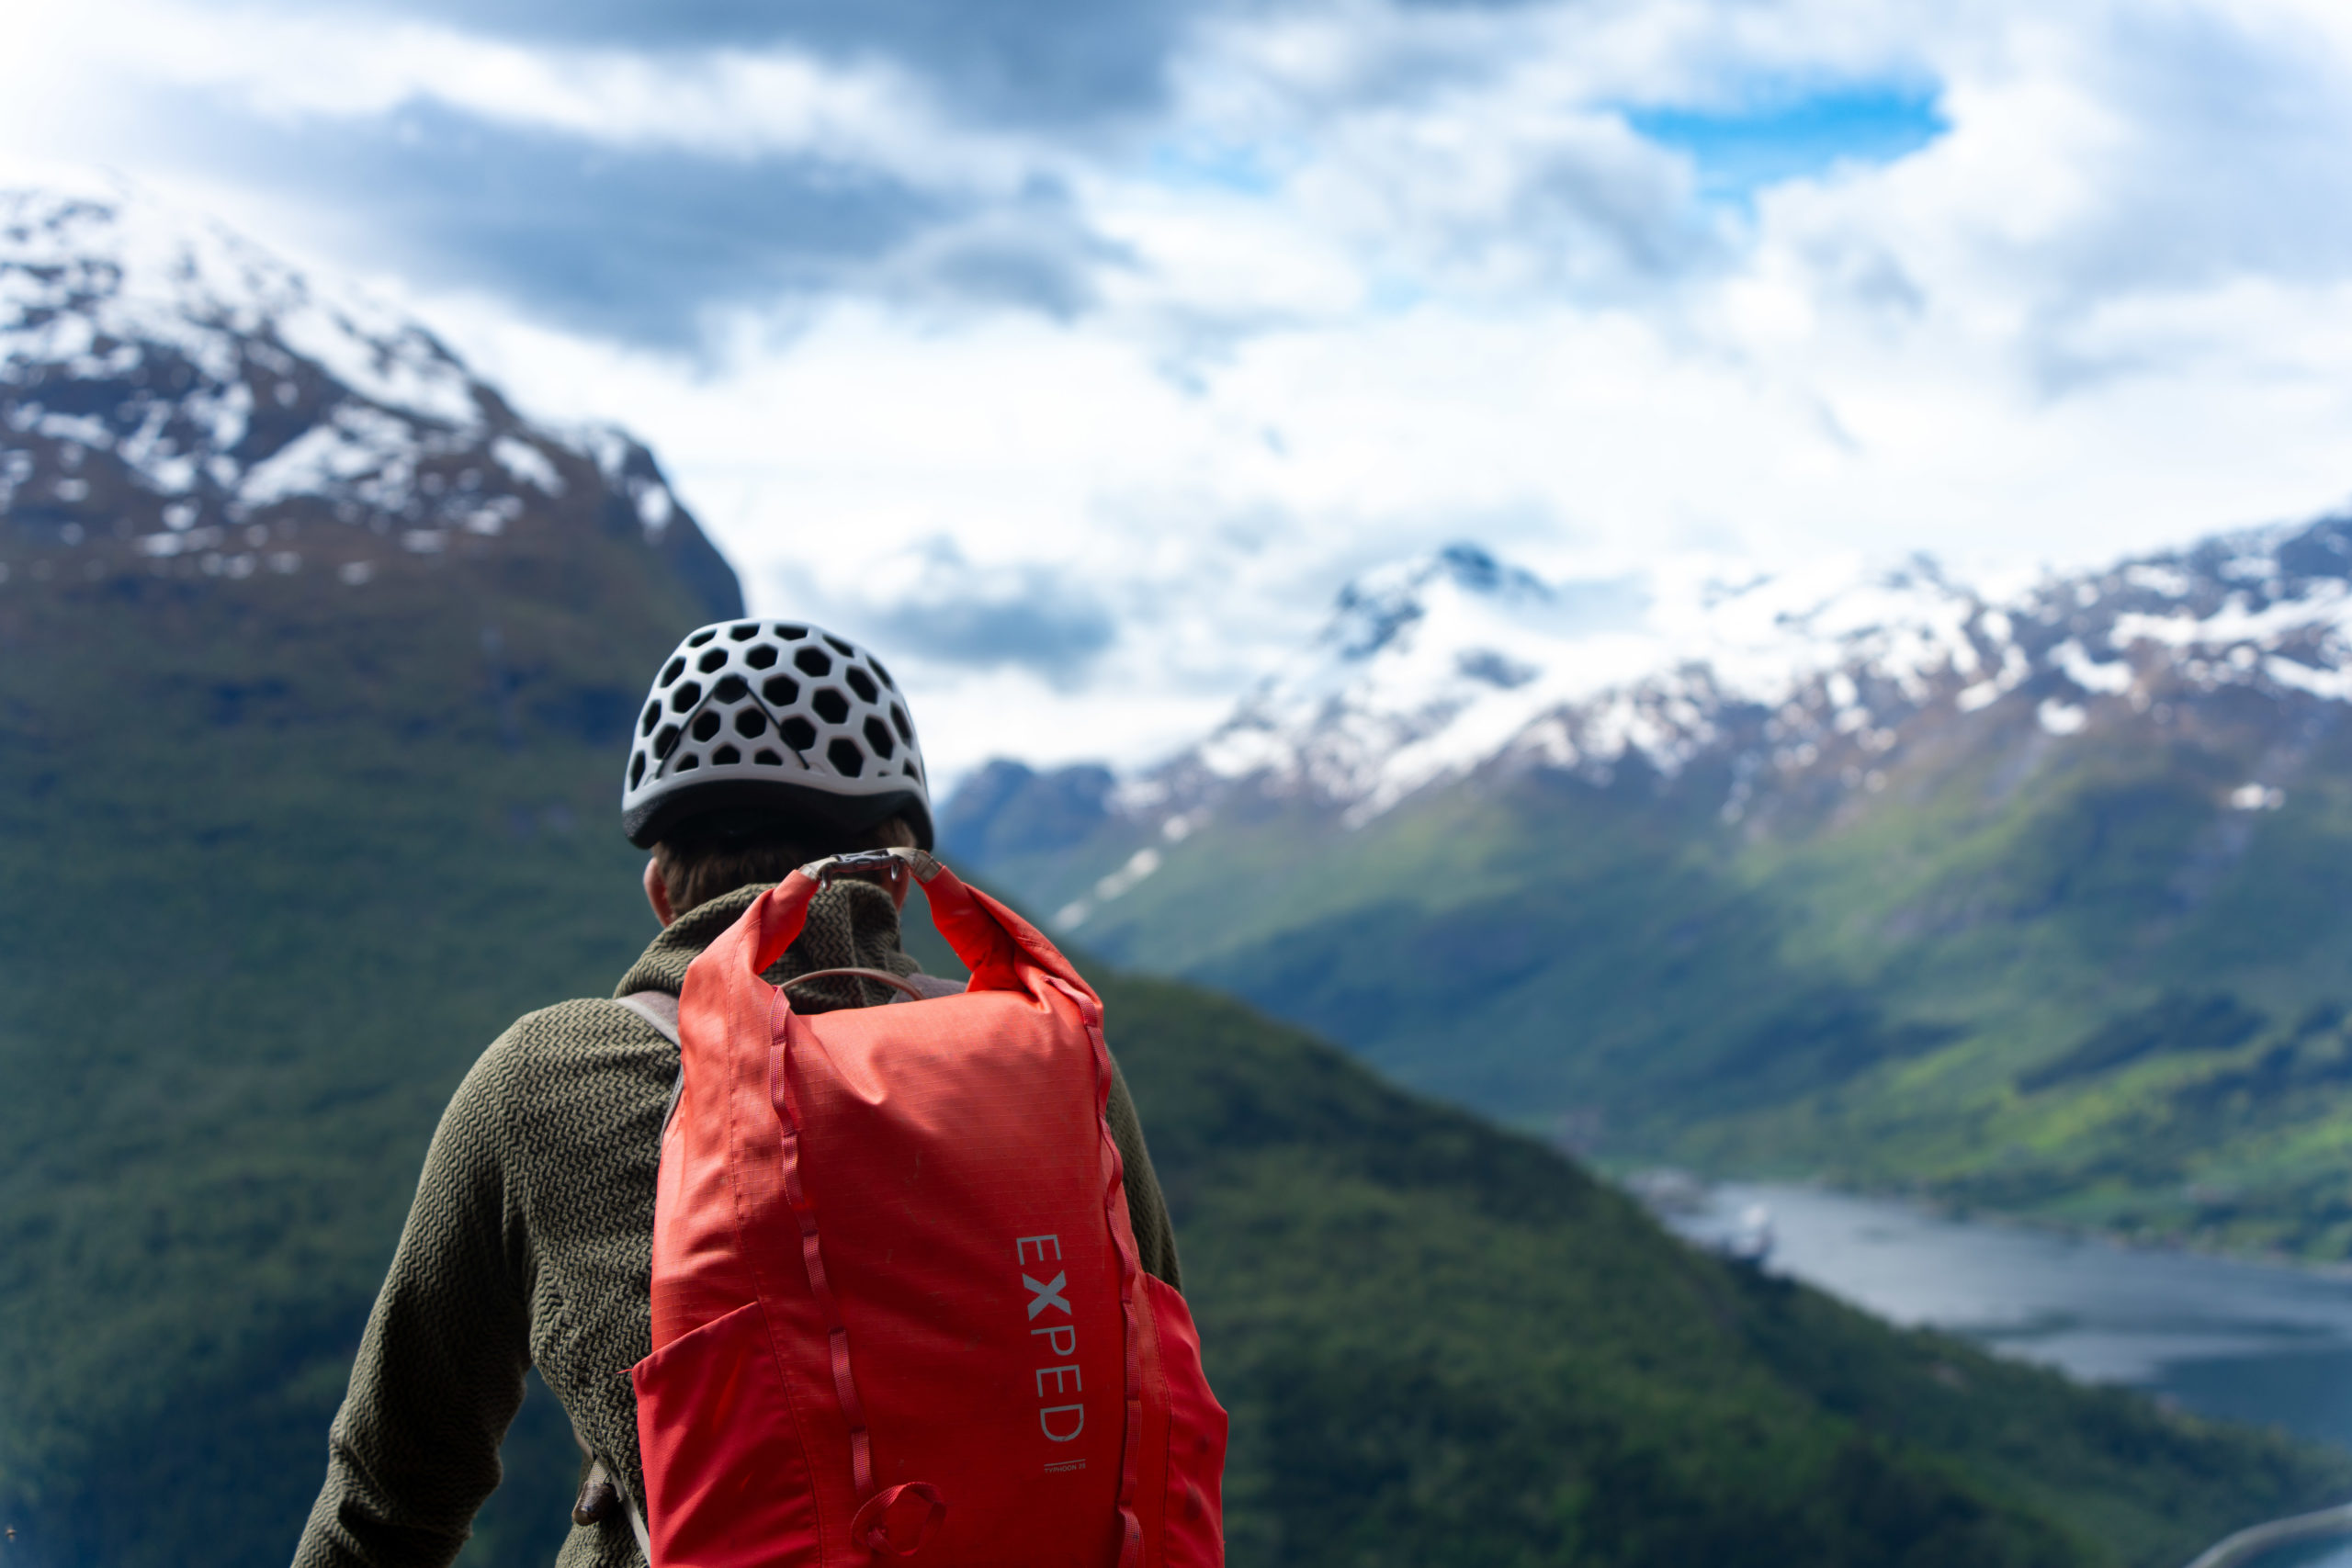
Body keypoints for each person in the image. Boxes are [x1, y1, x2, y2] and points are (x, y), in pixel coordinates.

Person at [292, 620, 1182, 1568]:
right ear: (897, 883)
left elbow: (385, 1506)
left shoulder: (543, 1080)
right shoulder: (1053, 1063)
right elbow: (1151, 1391)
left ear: (660, 894)